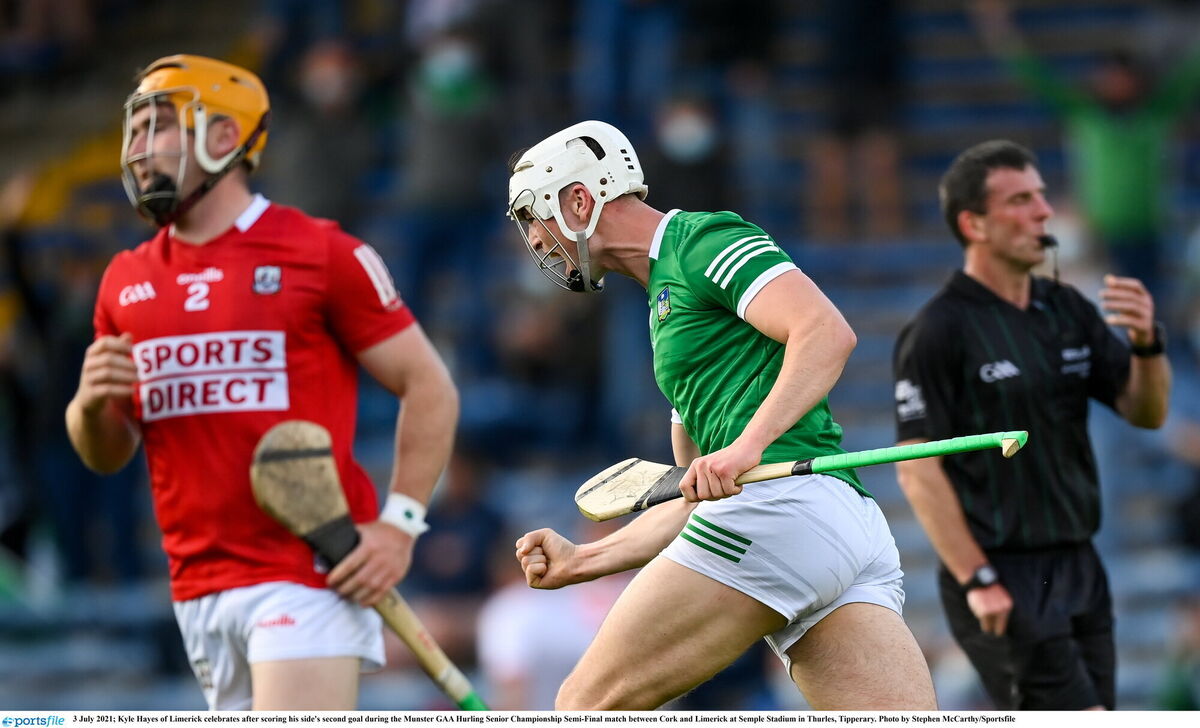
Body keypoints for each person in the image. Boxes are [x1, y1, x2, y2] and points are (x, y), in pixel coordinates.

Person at [63, 55, 459, 710]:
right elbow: (108, 454)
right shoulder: (122, 281)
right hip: (196, 585)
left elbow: (429, 386)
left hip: (307, 572)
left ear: (224, 138)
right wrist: (88, 406)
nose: (137, 151)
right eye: (134, 132)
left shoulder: (321, 252)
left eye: (159, 127)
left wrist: (398, 527)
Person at [506, 120, 937, 710]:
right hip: (835, 529)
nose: (533, 241)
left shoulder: (702, 239)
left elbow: (825, 331)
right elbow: (696, 500)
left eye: (533, 216)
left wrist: (748, 445)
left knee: (582, 707)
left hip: (782, 512)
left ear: (579, 199)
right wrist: (588, 560)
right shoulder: (667, 322)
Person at [892, 140, 1172, 710]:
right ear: (974, 223)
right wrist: (978, 579)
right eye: (1020, 200)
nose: (1044, 212)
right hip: (1003, 574)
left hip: (1081, 565)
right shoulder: (939, 330)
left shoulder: (1067, 309)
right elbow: (919, 471)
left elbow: (1148, 412)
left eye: (1042, 196)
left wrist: (1147, 345)